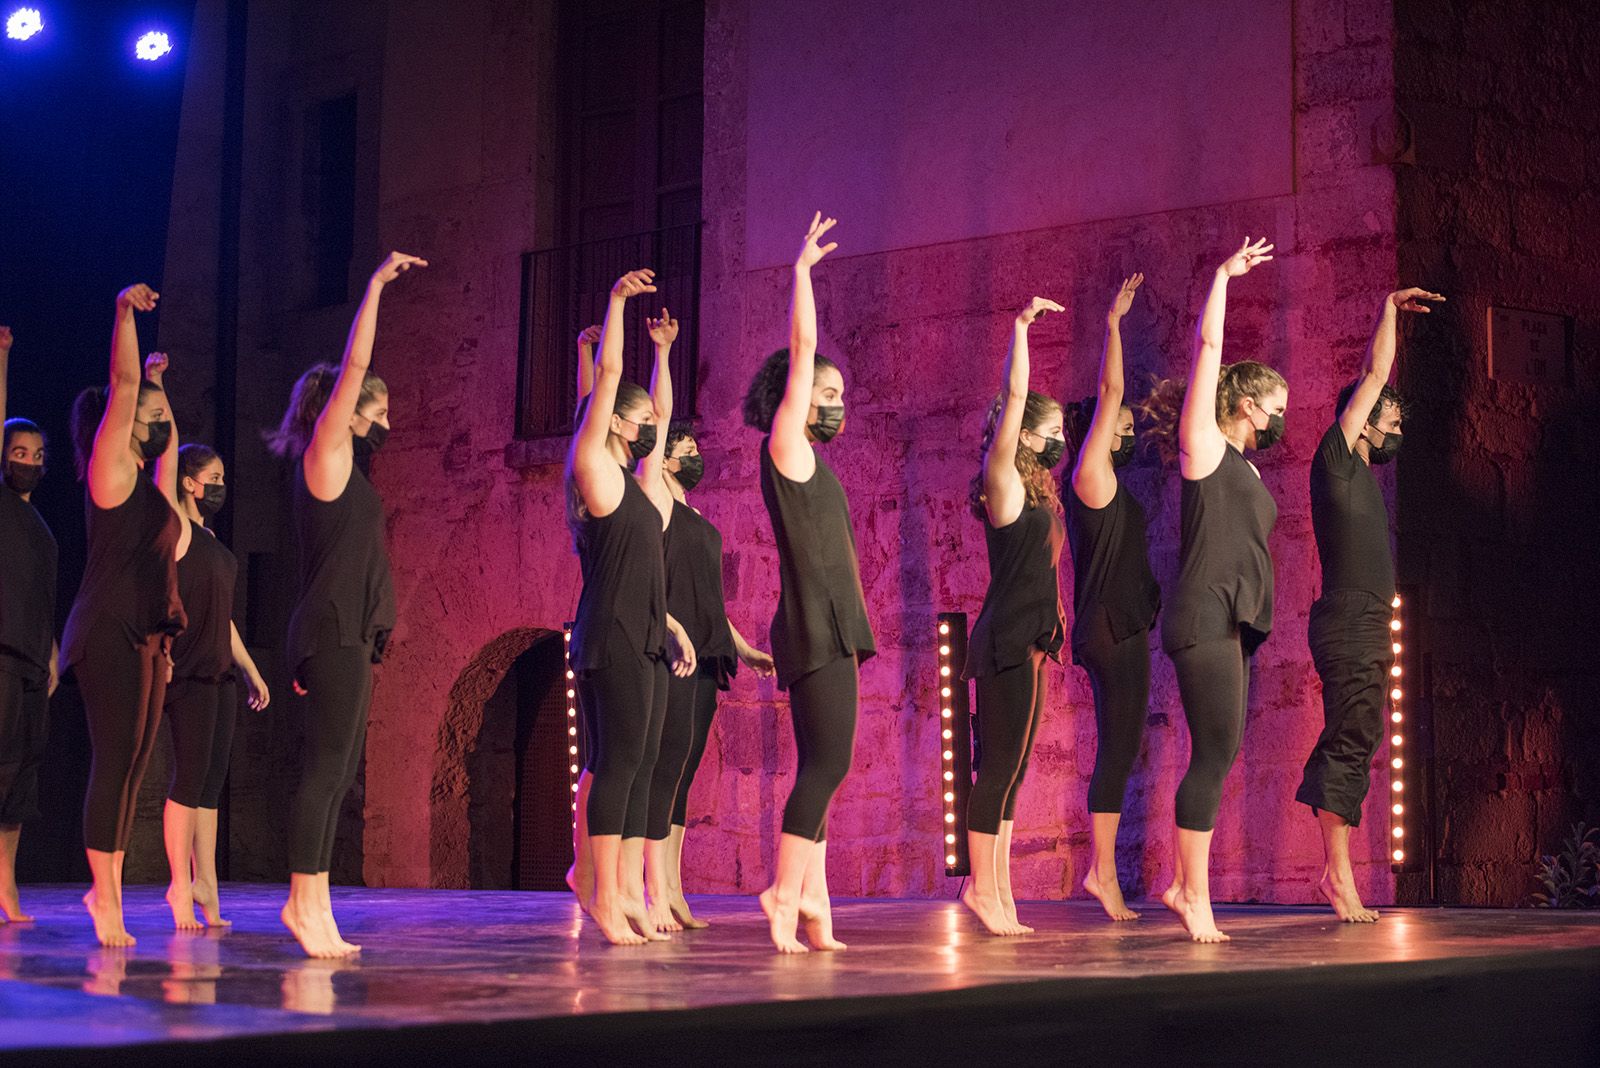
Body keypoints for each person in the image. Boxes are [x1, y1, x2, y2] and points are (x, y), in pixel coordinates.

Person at [266, 252, 422, 958]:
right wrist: (374, 288)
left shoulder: (351, 473)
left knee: (339, 776)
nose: (386, 418)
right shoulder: (326, 456)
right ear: (346, 410)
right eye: (378, 408)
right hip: (329, 628)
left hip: (348, 631)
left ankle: (316, 905)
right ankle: (303, 904)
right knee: (326, 770)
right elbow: (353, 368)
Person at [1142, 238, 1282, 942]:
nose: (1282, 418)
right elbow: (1207, 346)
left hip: (1231, 622)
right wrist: (1222, 276)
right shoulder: (1205, 445)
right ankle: (1190, 891)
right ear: (1250, 405)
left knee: (1219, 750)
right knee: (1213, 752)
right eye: (1276, 406)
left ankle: (1185, 884)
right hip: (1202, 614)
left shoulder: (1251, 475)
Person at [743, 213, 876, 953]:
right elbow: (801, 351)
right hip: (814, 623)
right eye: (827, 389)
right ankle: (784, 891)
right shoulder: (787, 448)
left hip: (831, 621)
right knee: (827, 763)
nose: (836, 400)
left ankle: (816, 903)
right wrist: (800, 274)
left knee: (831, 761)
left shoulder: (816, 465)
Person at [1295, 286, 1442, 922]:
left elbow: (1370, 378)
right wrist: (1384, 308)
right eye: (1394, 419)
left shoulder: (1357, 471)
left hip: (1366, 618)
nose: (1400, 430)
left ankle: (1337, 870)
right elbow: (1373, 374)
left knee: (1360, 733)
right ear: (1363, 418)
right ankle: (1338, 876)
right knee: (1351, 737)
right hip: (1350, 617)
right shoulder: (1336, 458)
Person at [565, 272, 696, 945]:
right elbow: (608, 375)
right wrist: (615, 303)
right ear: (613, 420)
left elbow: (666, 417)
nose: (652, 430)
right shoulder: (595, 466)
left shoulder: (643, 487)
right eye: (638, 420)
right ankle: (604, 891)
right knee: (616, 763)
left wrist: (667, 355)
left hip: (643, 632)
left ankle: (614, 888)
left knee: (641, 762)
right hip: (608, 633)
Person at [62, 285, 188, 947]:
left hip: (148, 634)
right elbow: (123, 378)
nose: (156, 413)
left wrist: (163, 387)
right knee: (114, 760)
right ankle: (105, 899)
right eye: (147, 407)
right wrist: (122, 313)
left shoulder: (151, 486)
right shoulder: (109, 470)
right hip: (107, 627)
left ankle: (99, 886)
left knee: (138, 761)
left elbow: (168, 452)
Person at [148, 354, 271, 929]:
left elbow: (224, 619)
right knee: (189, 780)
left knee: (210, 789)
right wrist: (156, 386)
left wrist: (251, 669)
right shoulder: (176, 531)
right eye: (213, 479)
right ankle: (179, 886)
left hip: (221, 671)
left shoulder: (215, 542)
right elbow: (164, 459)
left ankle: (209, 890)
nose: (221, 487)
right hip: (190, 673)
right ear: (191, 484)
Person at [960, 294, 1067, 936]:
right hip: (1002, 641)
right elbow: (1013, 392)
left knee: (1015, 773)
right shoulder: (1002, 479)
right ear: (1023, 434)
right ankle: (981, 888)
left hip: (1032, 642)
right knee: (996, 767)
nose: (1058, 443)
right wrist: (1020, 330)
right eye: (1050, 433)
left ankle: (999, 890)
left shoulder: (1037, 491)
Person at [645, 420, 775, 931]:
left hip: (709, 651)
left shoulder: (694, 514)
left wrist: (744, 649)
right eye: (688, 447)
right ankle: (654, 891)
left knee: (685, 773)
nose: (698, 455)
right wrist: (660, 354)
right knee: (666, 765)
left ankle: (673, 891)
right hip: (675, 651)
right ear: (665, 458)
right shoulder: (656, 505)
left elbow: (710, 602)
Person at [1064, 275, 1162, 922]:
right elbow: (1111, 391)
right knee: (1117, 748)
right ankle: (1102, 874)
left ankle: (1103, 873)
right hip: (1111, 627)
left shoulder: (1106, 485)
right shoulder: (1090, 476)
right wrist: (1114, 322)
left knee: (1121, 746)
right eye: (1120, 426)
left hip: (1119, 624)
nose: (1129, 430)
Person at [0, 325, 60, 924]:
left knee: (20, 777)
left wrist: (52, 651)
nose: (30, 463)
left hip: (29, 659)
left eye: (38, 456)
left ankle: (7, 887)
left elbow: (45, 597)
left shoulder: (40, 529)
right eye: (19, 454)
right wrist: (2, 361)